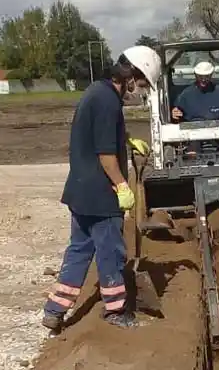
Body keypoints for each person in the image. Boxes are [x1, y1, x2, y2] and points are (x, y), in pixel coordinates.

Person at [42, 45, 158, 332]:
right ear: (131, 75)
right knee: (111, 252)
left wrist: (126, 140)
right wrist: (121, 185)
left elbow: (99, 133)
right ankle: (116, 310)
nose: (141, 90)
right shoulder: (108, 101)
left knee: (80, 250)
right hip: (100, 193)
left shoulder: (97, 92)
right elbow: (105, 154)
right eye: (142, 83)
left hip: (80, 191)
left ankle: (55, 310)